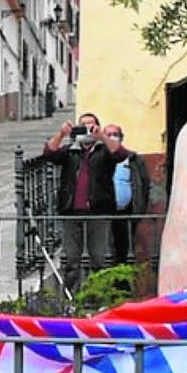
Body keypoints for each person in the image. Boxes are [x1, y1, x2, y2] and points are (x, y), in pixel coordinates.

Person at [41, 112, 129, 292]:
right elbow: (49, 153)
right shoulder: (70, 151)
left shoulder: (104, 151)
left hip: (98, 211)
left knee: (100, 258)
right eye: (83, 126)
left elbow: (120, 154)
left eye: (91, 125)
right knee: (71, 259)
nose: (87, 129)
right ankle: (71, 296)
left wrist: (102, 136)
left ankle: (100, 296)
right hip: (71, 211)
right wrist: (62, 134)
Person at [105, 124, 150, 265]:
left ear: (121, 137)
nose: (112, 137)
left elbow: (144, 184)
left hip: (127, 211)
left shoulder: (133, 158)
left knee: (124, 247)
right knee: (104, 249)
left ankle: (122, 274)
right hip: (103, 211)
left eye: (115, 134)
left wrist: (140, 208)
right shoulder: (98, 157)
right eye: (108, 134)